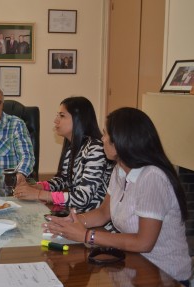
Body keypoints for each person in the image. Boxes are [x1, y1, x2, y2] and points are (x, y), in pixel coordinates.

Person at [43, 107, 192, 286]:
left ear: (121, 141)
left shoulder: (153, 177)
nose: (102, 139)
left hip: (164, 275)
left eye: (105, 134)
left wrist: (87, 236)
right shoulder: (120, 169)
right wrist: (73, 221)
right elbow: (104, 212)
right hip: (132, 265)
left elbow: (144, 243)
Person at [14, 96, 114, 213]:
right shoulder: (73, 147)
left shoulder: (96, 149)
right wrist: (39, 186)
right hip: (76, 214)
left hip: (93, 219)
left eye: (62, 116)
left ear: (78, 119)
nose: (56, 120)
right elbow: (64, 179)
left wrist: (39, 194)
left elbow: (82, 198)